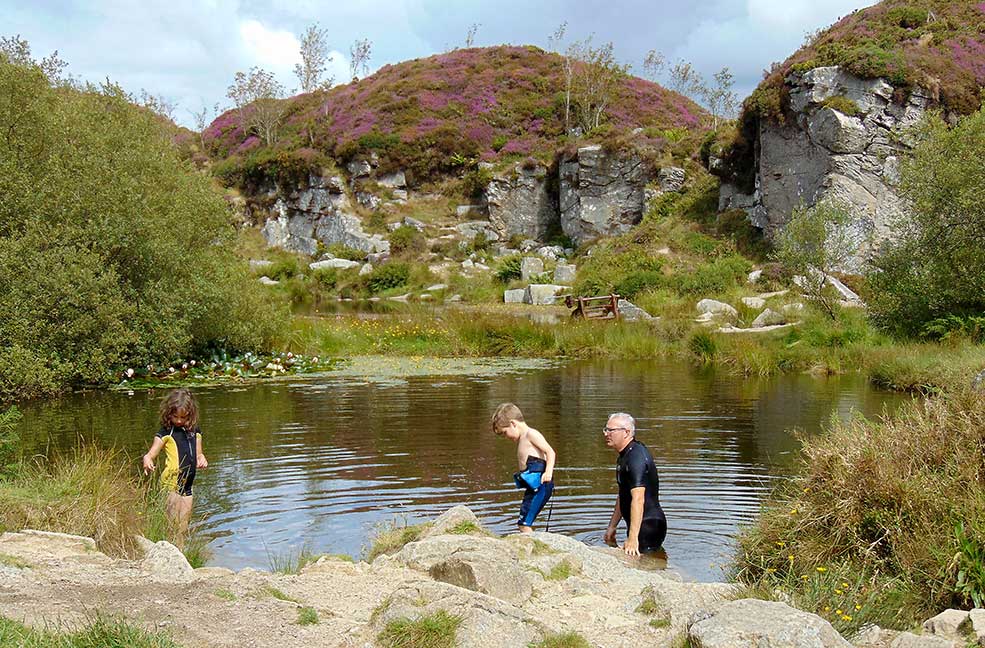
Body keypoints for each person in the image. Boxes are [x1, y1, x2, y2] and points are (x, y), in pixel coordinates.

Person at [142, 388, 208, 544]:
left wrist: (202, 459)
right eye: (175, 416)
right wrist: (147, 460)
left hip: (188, 485)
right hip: (171, 483)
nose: (178, 421)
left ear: (190, 415)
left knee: (183, 527)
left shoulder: (195, 431)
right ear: (168, 413)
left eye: (183, 417)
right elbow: (151, 454)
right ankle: (170, 552)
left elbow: (199, 454)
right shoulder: (166, 432)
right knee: (172, 525)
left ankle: (182, 554)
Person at [602, 412, 666, 557]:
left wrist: (633, 538)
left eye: (611, 430)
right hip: (638, 524)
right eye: (606, 429)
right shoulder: (625, 455)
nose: (606, 434)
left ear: (626, 432)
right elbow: (623, 494)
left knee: (643, 565)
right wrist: (612, 526)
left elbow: (638, 499)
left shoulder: (636, 457)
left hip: (649, 525)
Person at [491, 402, 556, 533]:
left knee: (524, 523)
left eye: (504, 433)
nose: (505, 437)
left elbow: (550, 452)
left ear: (513, 424)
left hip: (541, 486)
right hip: (534, 487)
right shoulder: (522, 438)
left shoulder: (531, 434)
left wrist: (548, 472)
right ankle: (534, 544)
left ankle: (532, 548)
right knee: (524, 521)